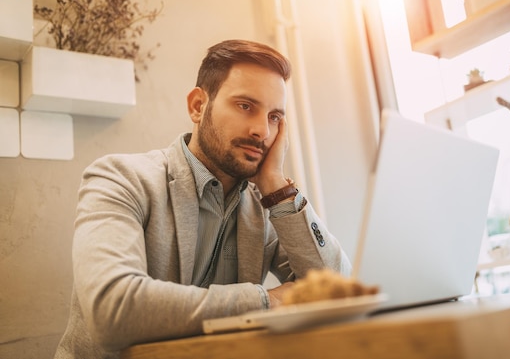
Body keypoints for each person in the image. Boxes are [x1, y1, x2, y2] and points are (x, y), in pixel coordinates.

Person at [54, 39, 352, 359]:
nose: (261, 131)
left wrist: (276, 187)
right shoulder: (120, 178)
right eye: (245, 106)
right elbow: (112, 311)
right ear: (198, 106)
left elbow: (336, 291)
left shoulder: (266, 209)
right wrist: (269, 301)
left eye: (274, 117)